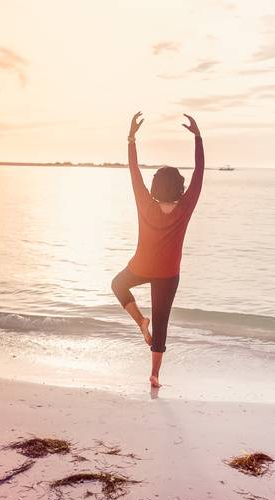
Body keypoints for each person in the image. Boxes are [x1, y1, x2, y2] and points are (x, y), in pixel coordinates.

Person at [111, 111, 204, 388]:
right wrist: (198, 138)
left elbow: (134, 170)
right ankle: (154, 375)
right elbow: (199, 173)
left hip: (142, 266)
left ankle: (140, 320)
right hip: (168, 273)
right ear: (179, 187)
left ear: (154, 187)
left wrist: (131, 137)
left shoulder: (145, 203)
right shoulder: (185, 207)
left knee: (118, 285)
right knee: (161, 325)